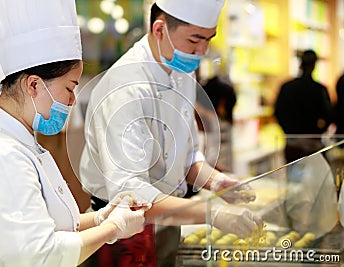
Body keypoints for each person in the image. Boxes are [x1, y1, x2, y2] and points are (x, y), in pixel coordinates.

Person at [0, 0, 147, 266]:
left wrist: (103, 217)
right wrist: (114, 229)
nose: (73, 100)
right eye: (70, 87)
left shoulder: (22, 144)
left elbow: (48, 225)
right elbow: (41, 256)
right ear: (34, 85)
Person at [79, 0, 262, 265]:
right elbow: (130, 195)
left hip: (170, 222)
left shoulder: (181, 73)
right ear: (160, 29)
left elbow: (186, 157)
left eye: (209, 40)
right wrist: (212, 213)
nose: (202, 51)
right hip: (121, 235)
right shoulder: (125, 86)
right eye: (194, 40)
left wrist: (215, 181)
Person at [274, 49, 333, 163]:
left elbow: (278, 113)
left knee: (293, 179)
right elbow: (328, 116)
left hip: (292, 144)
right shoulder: (319, 90)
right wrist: (318, 131)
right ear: (314, 65)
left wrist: (289, 132)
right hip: (314, 145)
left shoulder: (287, 87)